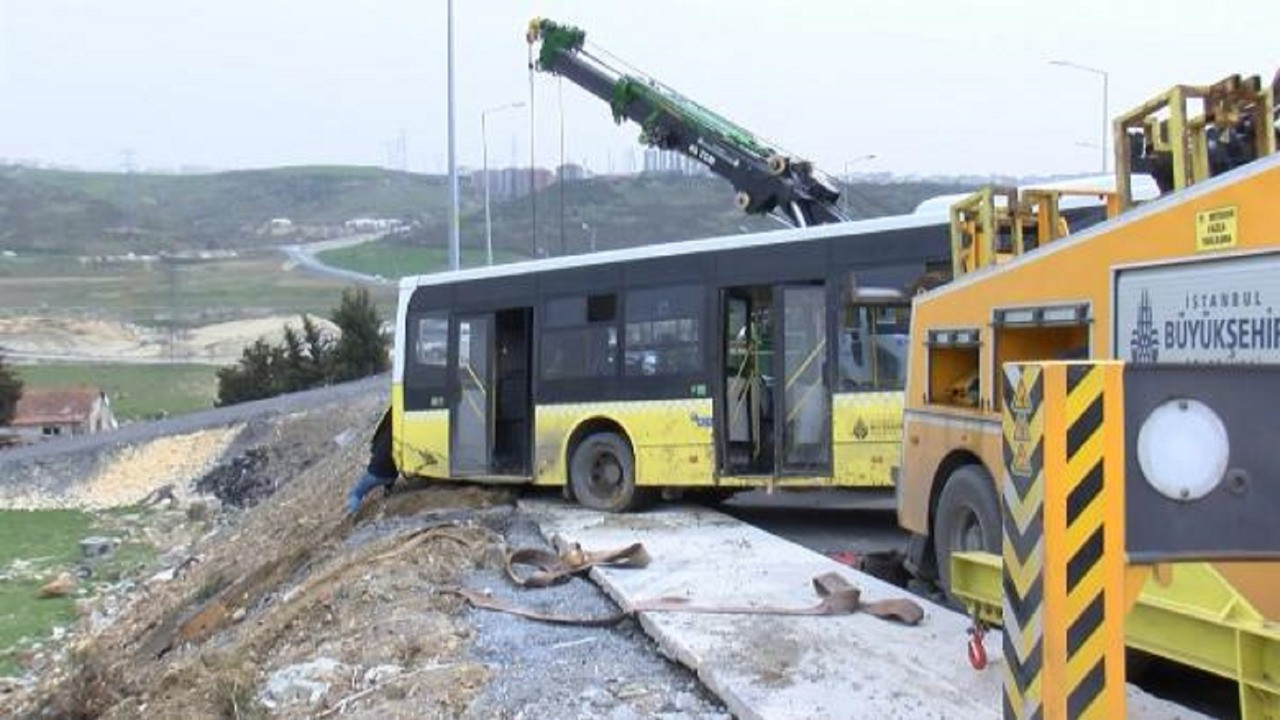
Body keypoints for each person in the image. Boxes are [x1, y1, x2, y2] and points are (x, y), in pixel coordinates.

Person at [346, 409, 398, 514]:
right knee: (387, 468)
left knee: (356, 492)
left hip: (376, 474)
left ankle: (351, 513)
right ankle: (388, 491)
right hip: (392, 476)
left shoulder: (381, 435)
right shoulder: (399, 436)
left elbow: (374, 451)